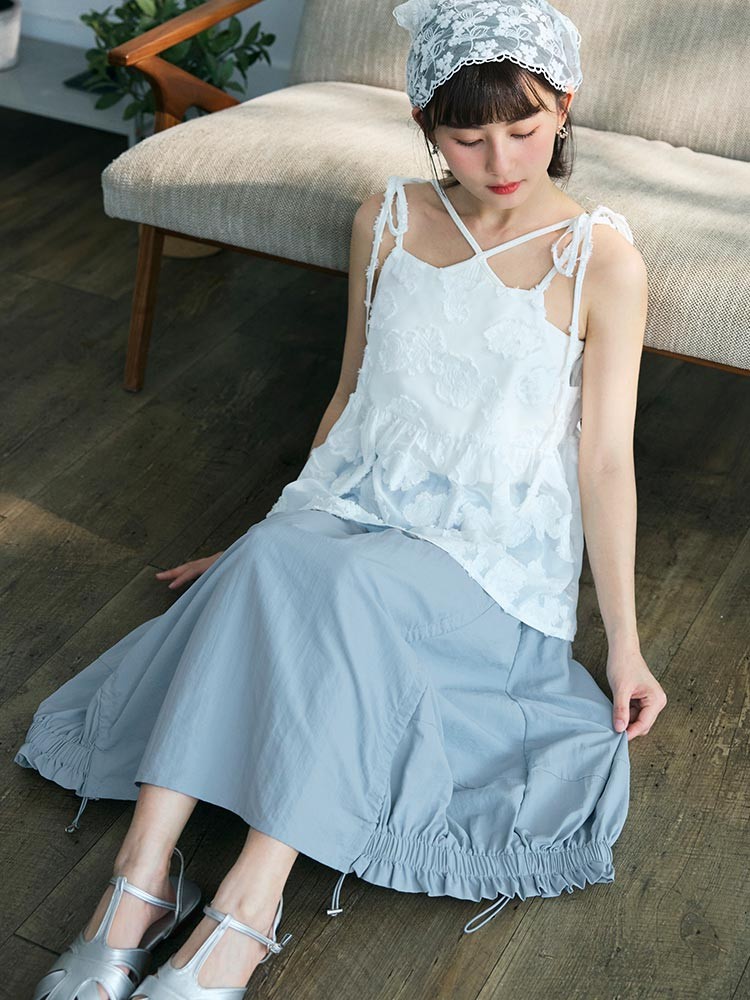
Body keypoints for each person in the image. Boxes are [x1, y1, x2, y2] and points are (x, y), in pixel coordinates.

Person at [17, 1, 668, 997]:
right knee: (279, 558)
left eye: (525, 127)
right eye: (468, 136)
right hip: (362, 504)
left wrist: (623, 643)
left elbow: (606, 463)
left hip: (489, 561)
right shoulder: (390, 217)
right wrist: (265, 538)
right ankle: (136, 885)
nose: (500, 159)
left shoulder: (601, 259)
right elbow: (351, 393)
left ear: (565, 107)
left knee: (348, 588)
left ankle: (246, 909)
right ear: (424, 125)